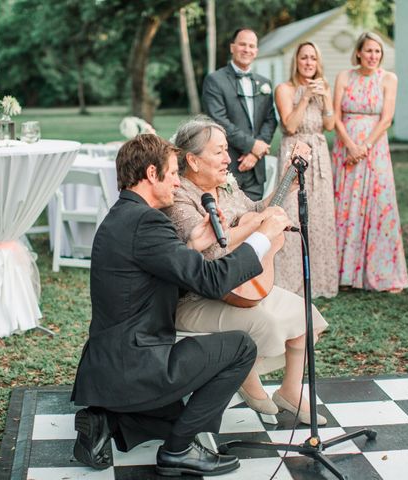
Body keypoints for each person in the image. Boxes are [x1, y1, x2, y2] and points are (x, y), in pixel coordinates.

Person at [71, 134, 291, 476]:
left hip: (111, 362)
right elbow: (212, 280)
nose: (177, 181)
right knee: (241, 346)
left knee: (169, 416)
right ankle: (179, 451)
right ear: (151, 174)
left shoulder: (123, 216)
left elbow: (148, 279)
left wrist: (190, 244)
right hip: (135, 362)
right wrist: (262, 238)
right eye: (172, 173)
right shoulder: (148, 222)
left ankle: (106, 420)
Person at [164, 116, 329, 426]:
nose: (229, 158)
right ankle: (243, 371)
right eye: (219, 152)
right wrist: (254, 225)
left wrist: (286, 186)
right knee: (264, 321)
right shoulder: (179, 197)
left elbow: (255, 212)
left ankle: (290, 391)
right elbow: (210, 252)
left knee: (305, 314)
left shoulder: (225, 183)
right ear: (192, 161)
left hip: (239, 286)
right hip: (194, 299)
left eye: (227, 150)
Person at [332, 32, 408, 293]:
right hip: (346, 147)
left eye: (377, 52)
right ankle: (344, 273)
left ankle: (382, 273)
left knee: (380, 207)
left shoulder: (388, 78)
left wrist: (364, 147)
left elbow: (387, 119)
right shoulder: (344, 76)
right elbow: (336, 116)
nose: (373, 56)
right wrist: (350, 146)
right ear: (358, 53)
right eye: (368, 51)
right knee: (346, 206)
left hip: (375, 150)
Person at [274, 41, 338, 298]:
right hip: (294, 154)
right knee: (290, 214)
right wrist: (307, 98)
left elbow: (330, 124)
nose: (309, 62)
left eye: (313, 58)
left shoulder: (324, 87)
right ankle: (291, 283)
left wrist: (324, 98)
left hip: (319, 154)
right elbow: (289, 126)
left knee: (320, 217)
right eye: (304, 58)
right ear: (296, 61)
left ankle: (320, 282)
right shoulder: (284, 89)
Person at [202, 28, 278, 201]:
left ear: (256, 51)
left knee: (255, 218)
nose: (247, 49)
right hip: (226, 165)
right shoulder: (215, 80)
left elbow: (270, 120)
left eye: (251, 46)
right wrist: (252, 145)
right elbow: (218, 121)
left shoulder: (264, 83)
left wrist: (255, 153)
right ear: (232, 47)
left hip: (255, 169)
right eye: (242, 44)